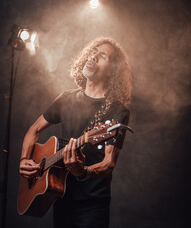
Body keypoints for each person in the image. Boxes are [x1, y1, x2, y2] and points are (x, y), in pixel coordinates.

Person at [19, 37, 132, 228]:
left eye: (102, 55)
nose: (94, 56)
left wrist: (83, 172)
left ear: (112, 71)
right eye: (94, 51)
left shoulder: (117, 111)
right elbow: (34, 130)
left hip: (92, 205)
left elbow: (108, 163)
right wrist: (23, 159)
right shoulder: (67, 98)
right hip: (60, 196)